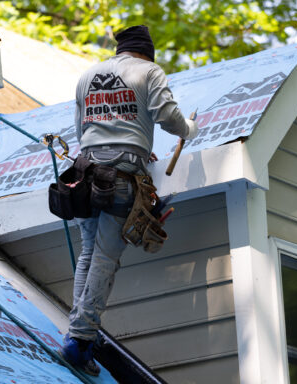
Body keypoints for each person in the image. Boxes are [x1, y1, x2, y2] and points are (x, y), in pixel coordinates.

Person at [59, 25, 198, 376]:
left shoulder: (87, 75)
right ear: (146, 53)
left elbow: (82, 132)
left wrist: (134, 145)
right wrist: (190, 130)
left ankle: (78, 333)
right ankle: (79, 340)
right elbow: (168, 117)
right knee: (105, 258)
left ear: (121, 50)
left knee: (88, 254)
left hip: (86, 174)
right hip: (121, 179)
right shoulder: (148, 72)